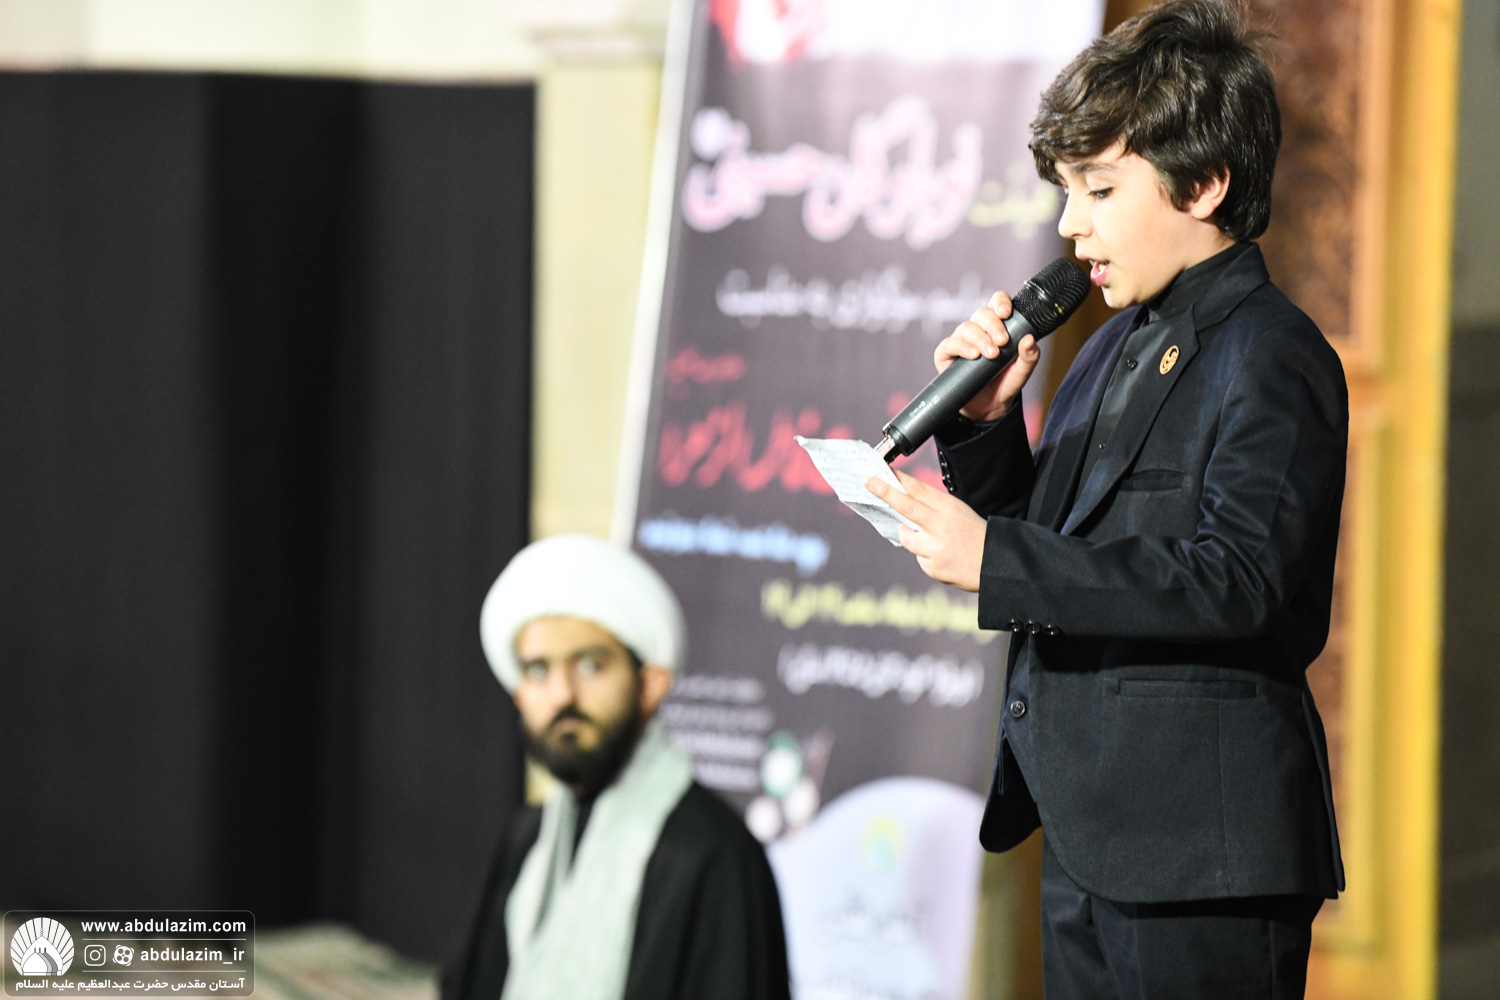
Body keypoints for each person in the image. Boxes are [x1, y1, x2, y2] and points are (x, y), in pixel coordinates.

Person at [867, 2, 1346, 996]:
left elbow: (1240, 580)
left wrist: (997, 561)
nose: (1068, 224)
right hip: (1089, 834)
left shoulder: (1274, 353)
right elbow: (1060, 544)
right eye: (1064, 190)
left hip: (1201, 857)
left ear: (1204, 183)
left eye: (1099, 188)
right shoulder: (1103, 350)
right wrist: (985, 427)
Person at [442, 534, 791, 1000]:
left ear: (650, 685)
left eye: (590, 665)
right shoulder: (527, 840)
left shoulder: (714, 856)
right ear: (519, 694)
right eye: (539, 670)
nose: (562, 695)